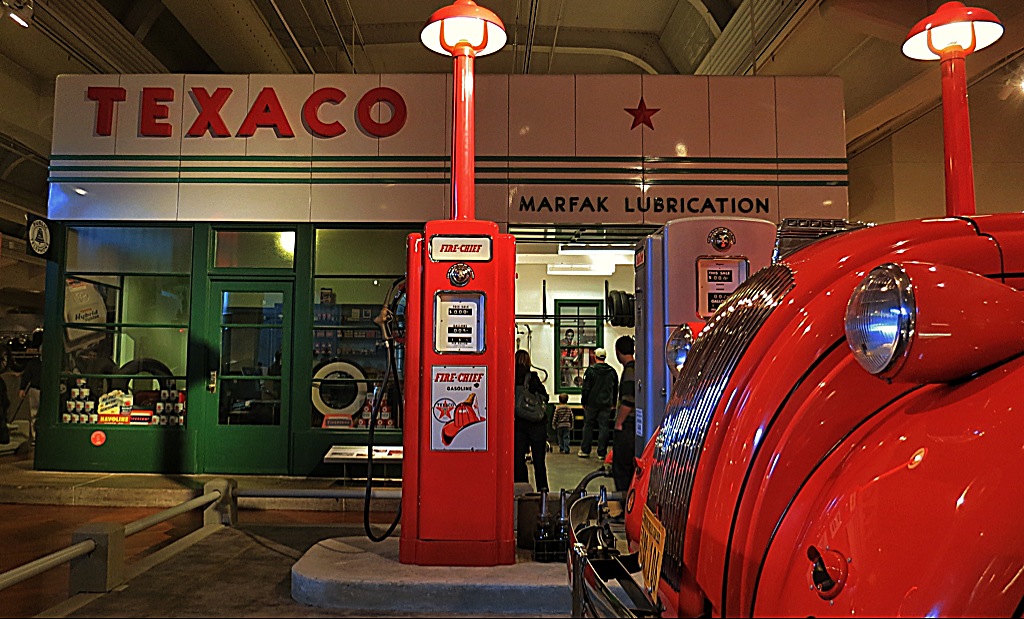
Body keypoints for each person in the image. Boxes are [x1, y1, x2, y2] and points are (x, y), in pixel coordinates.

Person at [514, 349, 549, 492]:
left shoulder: (510, 376)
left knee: (518, 459)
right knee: (539, 461)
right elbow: (544, 397)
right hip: (537, 425)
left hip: (518, 424)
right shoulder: (533, 377)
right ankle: (543, 490)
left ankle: (522, 488)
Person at [578, 348, 618, 459]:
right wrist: (613, 402)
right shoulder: (612, 371)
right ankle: (602, 453)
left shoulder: (590, 371)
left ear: (595, 357)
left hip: (591, 403)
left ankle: (585, 450)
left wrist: (584, 401)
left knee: (588, 426)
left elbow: (585, 388)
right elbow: (615, 389)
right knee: (604, 427)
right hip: (606, 404)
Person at [612, 336, 637, 493]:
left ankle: (623, 505)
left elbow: (628, 400)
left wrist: (618, 422)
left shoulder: (629, 371)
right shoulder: (639, 368)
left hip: (627, 425)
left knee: (621, 468)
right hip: (635, 425)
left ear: (617, 352)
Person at [19, 346, 42, 446]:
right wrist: (22, 388)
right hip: (35, 389)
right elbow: (26, 376)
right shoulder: (33, 363)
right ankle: (34, 436)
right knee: (34, 413)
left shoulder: (51, 363)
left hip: (48, 390)